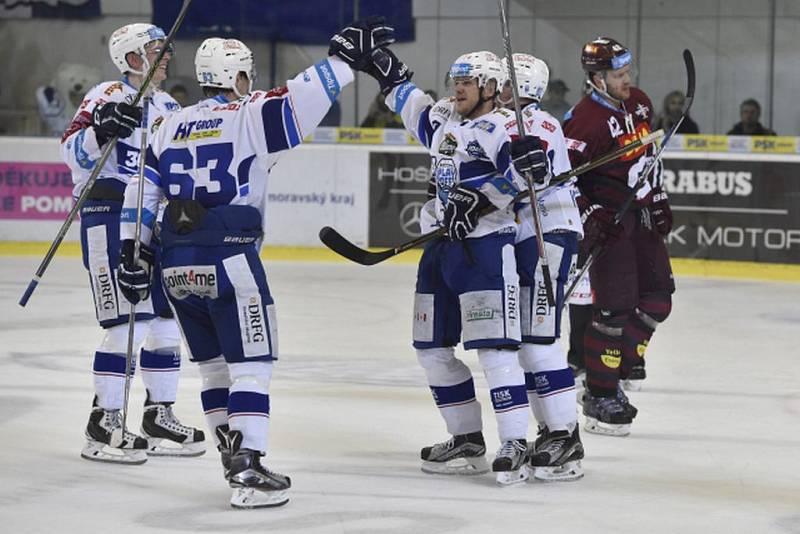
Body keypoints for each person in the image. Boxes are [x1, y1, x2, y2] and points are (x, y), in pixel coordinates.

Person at [116, 19, 391, 508]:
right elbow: (301, 99)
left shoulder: (166, 123)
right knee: (252, 365)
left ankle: (231, 457)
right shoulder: (249, 113)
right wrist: (344, 61)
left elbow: (142, 189)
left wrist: (132, 246)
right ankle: (249, 465)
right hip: (231, 254)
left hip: (175, 261)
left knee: (213, 371)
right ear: (240, 77)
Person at [361, 46, 544, 485]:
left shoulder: (503, 126)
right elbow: (412, 107)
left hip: (485, 248)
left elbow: (526, 174)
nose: (457, 89)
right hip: (439, 249)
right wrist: (388, 73)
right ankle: (466, 438)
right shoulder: (443, 116)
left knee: (495, 349)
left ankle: (515, 441)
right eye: (454, 81)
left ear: (492, 87)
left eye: (467, 82)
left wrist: (483, 195)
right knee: (430, 349)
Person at [60, 23, 204, 465]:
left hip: (150, 222)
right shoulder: (106, 94)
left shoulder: (168, 105)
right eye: (154, 49)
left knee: (162, 320)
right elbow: (71, 151)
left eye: (162, 49)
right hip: (106, 217)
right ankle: (103, 424)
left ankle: (158, 415)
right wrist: (99, 130)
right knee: (125, 324)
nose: (164, 57)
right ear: (132, 58)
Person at [562, 37, 674, 437]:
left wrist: (658, 198)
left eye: (628, 72)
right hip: (610, 224)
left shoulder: (639, 103)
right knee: (613, 312)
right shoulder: (583, 120)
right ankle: (600, 393)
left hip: (640, 217)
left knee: (659, 300)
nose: (629, 80)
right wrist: (590, 214)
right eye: (619, 75)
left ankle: (615, 366)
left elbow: (650, 157)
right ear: (597, 79)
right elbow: (562, 179)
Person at [501, 53, 584, 481]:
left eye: (503, 81)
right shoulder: (510, 121)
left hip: (548, 233)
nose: (497, 87)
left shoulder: (538, 123)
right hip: (530, 234)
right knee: (525, 343)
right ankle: (551, 429)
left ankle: (565, 434)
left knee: (538, 337)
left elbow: (535, 176)